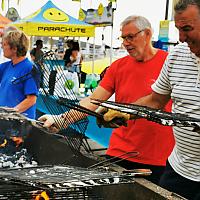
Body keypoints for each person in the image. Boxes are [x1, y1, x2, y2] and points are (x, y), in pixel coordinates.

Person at [38, 16, 175, 184]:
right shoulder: (118, 67)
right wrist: (61, 120)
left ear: (147, 34)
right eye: (123, 38)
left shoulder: (169, 63)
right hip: (120, 151)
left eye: (130, 37)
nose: (125, 43)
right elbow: (93, 100)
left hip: (158, 156)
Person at [98, 1, 200, 199]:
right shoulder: (178, 55)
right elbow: (155, 100)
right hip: (179, 170)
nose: (181, 38)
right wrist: (124, 111)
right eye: (178, 29)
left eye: (187, 29)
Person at [0, 29, 39, 119]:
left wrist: (10, 113)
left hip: (19, 125)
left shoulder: (30, 68)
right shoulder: (6, 66)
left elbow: (31, 100)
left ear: (14, 48)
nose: (2, 47)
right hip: (5, 122)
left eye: (5, 44)